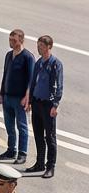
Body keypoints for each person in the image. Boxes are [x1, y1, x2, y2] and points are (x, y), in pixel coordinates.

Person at [23, 35, 63, 179]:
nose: (38, 48)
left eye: (41, 46)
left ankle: (50, 166)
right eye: (38, 45)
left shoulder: (55, 64)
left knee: (50, 137)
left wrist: (55, 104)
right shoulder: (39, 62)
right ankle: (39, 163)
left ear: (48, 47)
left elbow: (59, 86)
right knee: (38, 136)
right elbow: (33, 83)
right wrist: (30, 102)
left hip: (48, 105)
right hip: (37, 103)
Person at [0, 29, 34, 164]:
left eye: (14, 40)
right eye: (10, 39)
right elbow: (5, 74)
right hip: (7, 97)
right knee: (9, 125)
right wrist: (1, 93)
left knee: (22, 126)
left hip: (20, 99)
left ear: (21, 40)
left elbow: (31, 80)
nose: (11, 42)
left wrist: (27, 97)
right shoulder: (8, 55)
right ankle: (11, 150)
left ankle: (22, 153)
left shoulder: (28, 57)